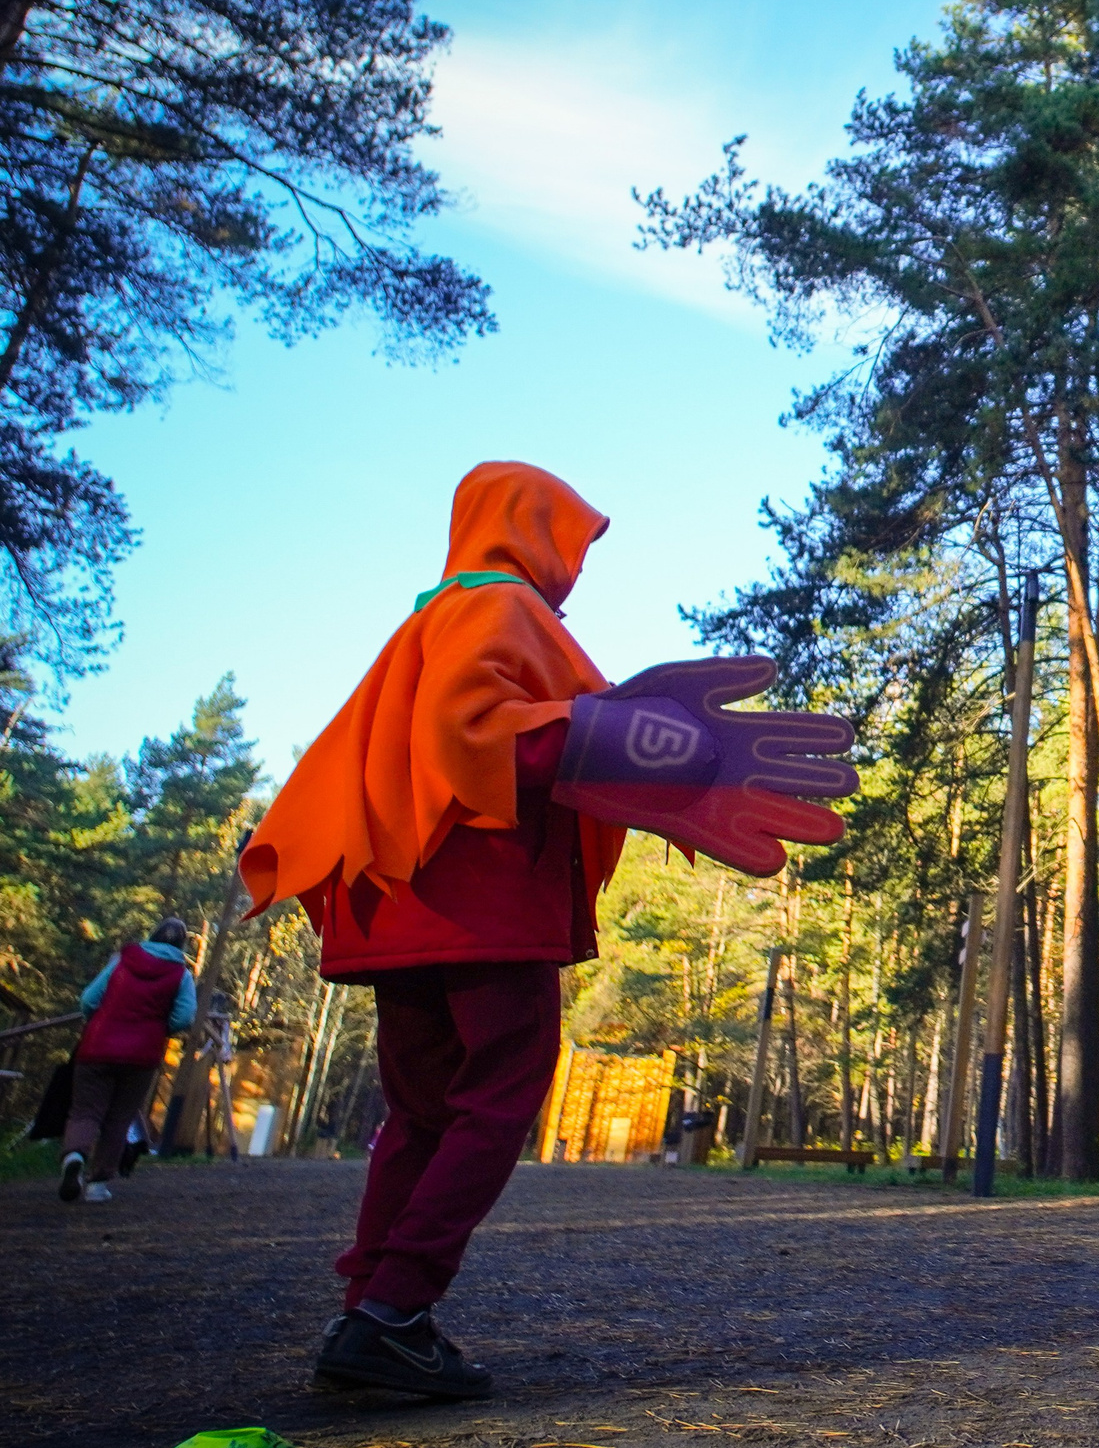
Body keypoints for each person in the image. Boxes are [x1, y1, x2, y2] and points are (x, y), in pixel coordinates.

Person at [239, 462, 854, 1400]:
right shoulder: (500, 608)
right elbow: (478, 733)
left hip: (400, 898)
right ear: (527, 529)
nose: (573, 562)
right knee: (499, 1093)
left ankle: (373, 1312)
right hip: (477, 901)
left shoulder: (427, 617)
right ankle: (395, 1307)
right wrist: (619, 739)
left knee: (423, 1109)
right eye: (567, 536)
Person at [56, 916, 197, 1204]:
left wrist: (95, 1022)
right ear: (181, 944)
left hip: (97, 1047)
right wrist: (160, 1029)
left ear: (152, 935)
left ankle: (74, 1156)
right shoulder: (180, 975)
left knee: (85, 1111)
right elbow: (185, 1017)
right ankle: (98, 1185)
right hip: (141, 1056)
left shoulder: (123, 960)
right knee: (119, 1117)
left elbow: (89, 999)